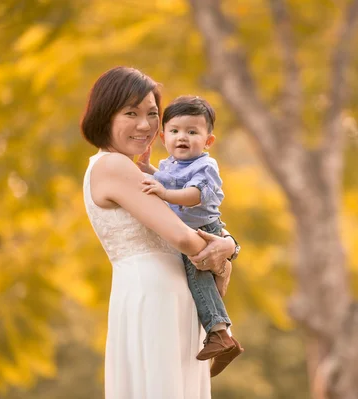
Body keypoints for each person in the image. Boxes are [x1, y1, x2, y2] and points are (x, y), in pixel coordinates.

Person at [80, 66, 239, 398]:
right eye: (131, 113)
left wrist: (227, 244)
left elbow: (190, 222)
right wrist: (226, 249)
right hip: (155, 292)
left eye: (153, 114)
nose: (145, 124)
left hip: (165, 291)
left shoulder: (125, 167)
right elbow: (182, 237)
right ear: (105, 115)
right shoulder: (113, 165)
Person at [136, 95, 243, 372]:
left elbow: (194, 195)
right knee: (199, 282)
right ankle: (226, 339)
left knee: (197, 276)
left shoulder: (205, 166)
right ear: (163, 137)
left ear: (208, 141)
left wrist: (165, 193)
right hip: (191, 229)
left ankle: (219, 333)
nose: (182, 137)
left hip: (204, 229)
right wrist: (146, 170)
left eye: (192, 132)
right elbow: (163, 182)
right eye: (175, 131)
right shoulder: (171, 164)